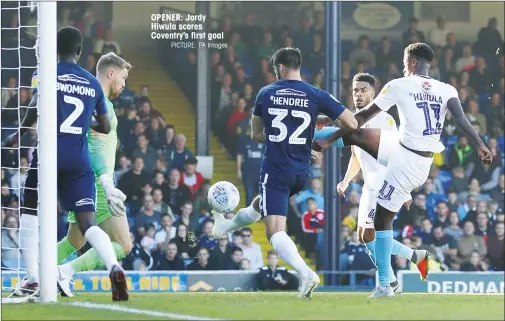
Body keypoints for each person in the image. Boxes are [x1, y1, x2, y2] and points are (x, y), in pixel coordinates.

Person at [313, 42, 492, 297]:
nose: (402, 66)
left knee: (381, 220)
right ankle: (313, 137)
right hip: (406, 150)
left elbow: (362, 116)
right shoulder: (446, 89)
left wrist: (330, 137)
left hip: (407, 164)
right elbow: (461, 119)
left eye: (404, 62)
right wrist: (480, 144)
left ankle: (386, 285)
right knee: (360, 137)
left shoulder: (398, 84)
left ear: (412, 63)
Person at [210, 47, 358, 299]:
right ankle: (225, 227)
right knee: (261, 203)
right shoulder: (316, 94)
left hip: (276, 169)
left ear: (279, 68)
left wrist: (286, 138)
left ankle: (305, 273)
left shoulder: (266, 93)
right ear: (299, 66)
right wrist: (319, 133)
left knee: (274, 230)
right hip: (301, 172)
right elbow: (352, 123)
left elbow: (256, 134)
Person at [4, 27, 128, 301]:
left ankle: (34, 277)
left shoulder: (46, 72)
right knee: (88, 224)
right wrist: (84, 122)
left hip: (49, 155)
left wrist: (18, 134)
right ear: (80, 51)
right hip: (79, 159)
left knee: (29, 212)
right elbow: (105, 127)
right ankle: (114, 267)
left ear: (55, 48)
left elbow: (35, 107)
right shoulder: (92, 83)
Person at [334, 73, 430, 293]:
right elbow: (356, 155)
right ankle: (414, 257)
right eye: (355, 90)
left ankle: (387, 283)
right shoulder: (354, 119)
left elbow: (398, 153)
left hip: (384, 185)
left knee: (371, 234)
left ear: (373, 93)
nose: (358, 94)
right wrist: (346, 180)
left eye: (363, 90)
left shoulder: (384, 119)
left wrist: (403, 189)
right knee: (363, 236)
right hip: (369, 185)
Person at [56, 53, 133, 298]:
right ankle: (64, 271)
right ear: (111, 74)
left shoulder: (85, 95)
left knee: (74, 241)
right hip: (97, 182)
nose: (124, 84)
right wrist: (107, 183)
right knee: (123, 244)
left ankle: (33, 274)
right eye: (123, 77)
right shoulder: (103, 103)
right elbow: (97, 147)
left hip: (77, 177)